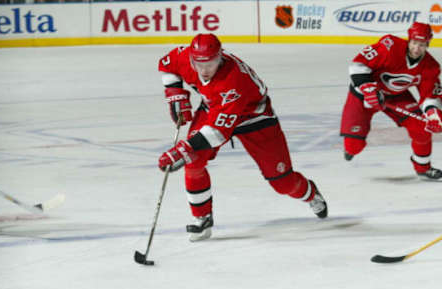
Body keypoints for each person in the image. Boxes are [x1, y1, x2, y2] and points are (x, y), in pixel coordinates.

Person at [157, 33, 328, 242]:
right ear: (191, 57)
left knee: (282, 183)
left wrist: (183, 148)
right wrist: (175, 92)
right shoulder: (185, 56)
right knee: (194, 161)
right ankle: (202, 219)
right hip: (214, 108)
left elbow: (218, 132)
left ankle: (311, 193)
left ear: (220, 57)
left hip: (255, 119)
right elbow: (166, 64)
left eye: (210, 63)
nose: (203, 70)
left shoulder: (234, 80)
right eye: (198, 64)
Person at [340, 21, 442, 181]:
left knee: (422, 127)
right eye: (414, 43)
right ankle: (351, 148)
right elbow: (358, 64)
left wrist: (434, 116)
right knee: (354, 146)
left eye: (422, 45)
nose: (417, 48)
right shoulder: (390, 46)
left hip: (396, 96)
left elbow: (430, 96)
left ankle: (423, 167)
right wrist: (368, 88)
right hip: (364, 93)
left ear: (428, 43)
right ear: (409, 40)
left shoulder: (431, 67)